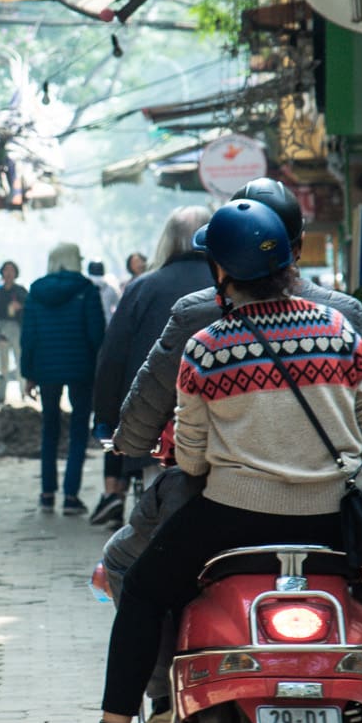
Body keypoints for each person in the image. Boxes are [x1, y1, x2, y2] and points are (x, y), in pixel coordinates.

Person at [52, 201, 362, 723]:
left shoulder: (206, 347)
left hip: (230, 519)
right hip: (335, 518)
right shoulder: (339, 330)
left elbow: (194, 458)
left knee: (145, 590)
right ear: (288, 261)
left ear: (221, 273)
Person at [87, 206, 213, 528]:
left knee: (157, 524)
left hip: (156, 432)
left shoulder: (143, 288)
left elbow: (112, 358)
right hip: (226, 430)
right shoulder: (235, 288)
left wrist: (105, 420)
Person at [19, 242, 106, 515]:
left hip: (45, 369)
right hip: (81, 369)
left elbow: (28, 337)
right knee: (79, 430)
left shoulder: (36, 291)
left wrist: (28, 374)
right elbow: (97, 334)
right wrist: (99, 369)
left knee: (49, 429)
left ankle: (46, 494)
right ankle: (70, 496)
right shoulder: (87, 290)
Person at [0, 261, 27, 388]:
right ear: (2, 272)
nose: (8, 273)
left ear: (15, 273)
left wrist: (20, 308)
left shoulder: (21, 291)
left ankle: (23, 390)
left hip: (17, 329)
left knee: (20, 359)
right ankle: (2, 392)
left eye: (11, 270)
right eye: (6, 270)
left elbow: (30, 308)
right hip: (2, 329)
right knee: (2, 362)